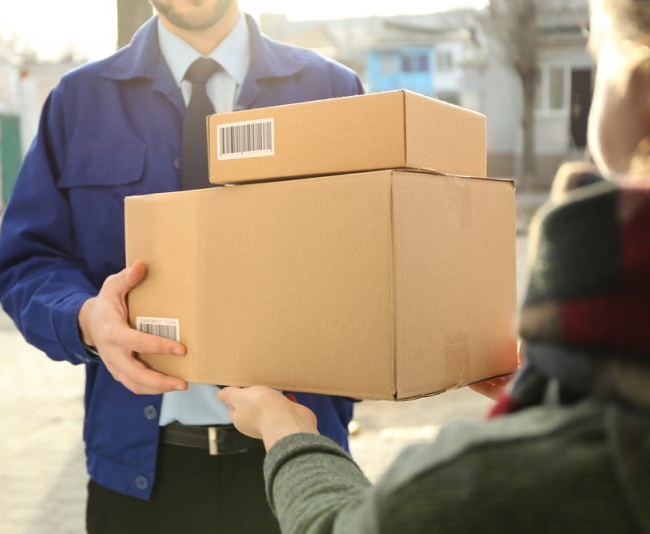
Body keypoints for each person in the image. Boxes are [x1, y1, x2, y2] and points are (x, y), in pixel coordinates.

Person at [219, 0, 650, 531]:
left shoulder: (520, 469)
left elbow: (336, 525)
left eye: (597, 50)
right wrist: (552, 381)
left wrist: (286, 432)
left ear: (635, 82)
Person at [0, 1, 363, 532]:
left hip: (297, 467)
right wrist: (86, 318)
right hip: (140, 479)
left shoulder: (332, 91)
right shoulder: (79, 101)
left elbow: (372, 260)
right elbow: (28, 261)